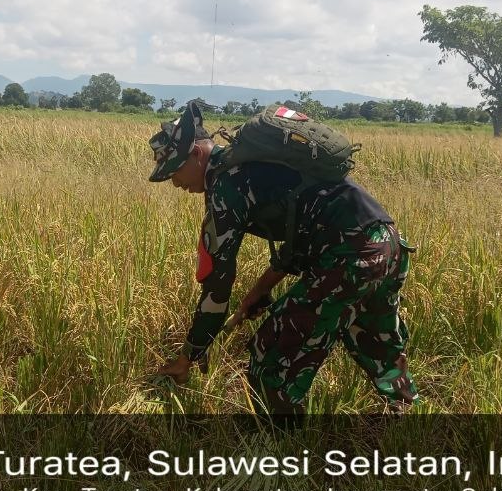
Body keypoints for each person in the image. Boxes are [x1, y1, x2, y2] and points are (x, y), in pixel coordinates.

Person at [149, 103, 417, 420]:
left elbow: (217, 285)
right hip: (384, 243)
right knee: (377, 343)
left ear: (196, 153)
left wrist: (189, 355)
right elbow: (297, 242)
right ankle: (406, 413)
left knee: (272, 352)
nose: (175, 183)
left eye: (175, 170)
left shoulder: (226, 184)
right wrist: (258, 292)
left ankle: (279, 448)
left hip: (349, 256)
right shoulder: (251, 166)